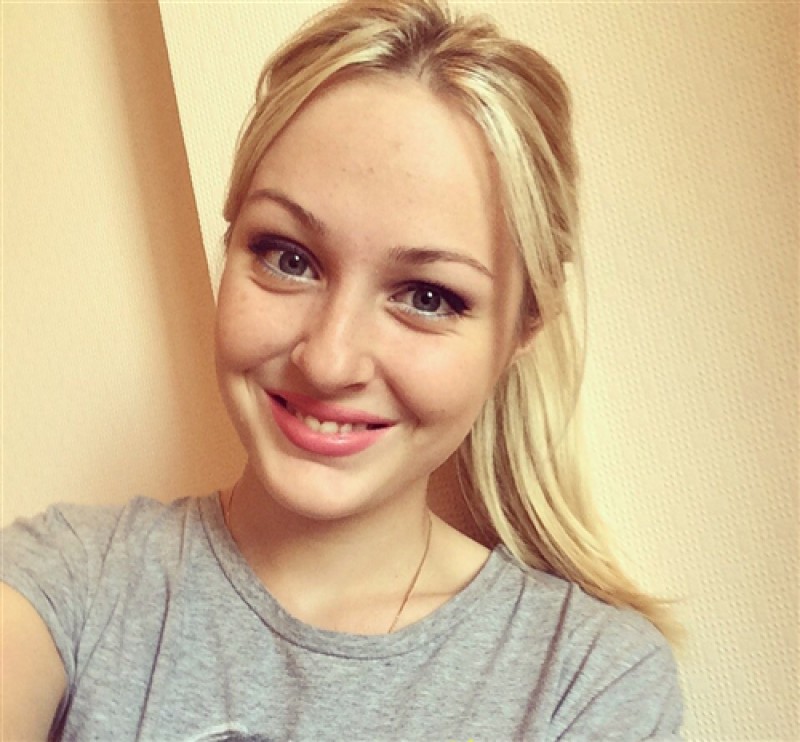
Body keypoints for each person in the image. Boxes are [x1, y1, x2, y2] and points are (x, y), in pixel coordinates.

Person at [2, 0, 684, 739]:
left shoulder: (587, 681)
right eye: (288, 258)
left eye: (427, 297)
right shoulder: (66, 581)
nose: (327, 361)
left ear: (521, 332)